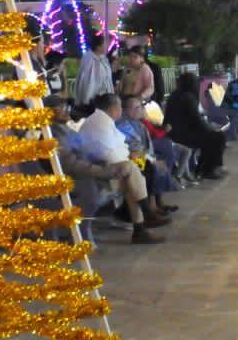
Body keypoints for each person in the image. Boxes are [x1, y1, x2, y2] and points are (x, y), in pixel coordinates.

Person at [71, 94, 170, 242]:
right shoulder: (100, 123)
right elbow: (109, 154)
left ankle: (141, 226)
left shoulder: (103, 120)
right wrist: (130, 158)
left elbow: (120, 146)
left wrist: (132, 157)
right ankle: (145, 217)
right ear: (114, 108)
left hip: (105, 167)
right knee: (131, 169)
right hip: (96, 172)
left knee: (132, 176)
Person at [117, 96, 178, 216]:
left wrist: (153, 158)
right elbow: (134, 148)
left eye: (140, 107)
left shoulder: (139, 123)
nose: (140, 110)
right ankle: (152, 207)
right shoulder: (124, 125)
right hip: (131, 158)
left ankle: (158, 203)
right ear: (126, 110)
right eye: (136, 108)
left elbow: (146, 146)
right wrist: (153, 160)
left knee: (160, 163)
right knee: (152, 167)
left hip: (141, 155)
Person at [165, 72, 227, 179]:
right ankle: (208, 169)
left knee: (212, 137)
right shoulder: (188, 97)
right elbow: (196, 120)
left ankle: (205, 168)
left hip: (175, 132)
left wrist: (209, 128)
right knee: (218, 137)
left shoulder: (175, 95)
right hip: (183, 135)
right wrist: (211, 128)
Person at [73, 33, 114, 110]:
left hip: (105, 96)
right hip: (93, 98)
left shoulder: (104, 59)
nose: (107, 46)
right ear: (98, 46)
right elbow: (87, 81)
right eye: (105, 44)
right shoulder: (89, 59)